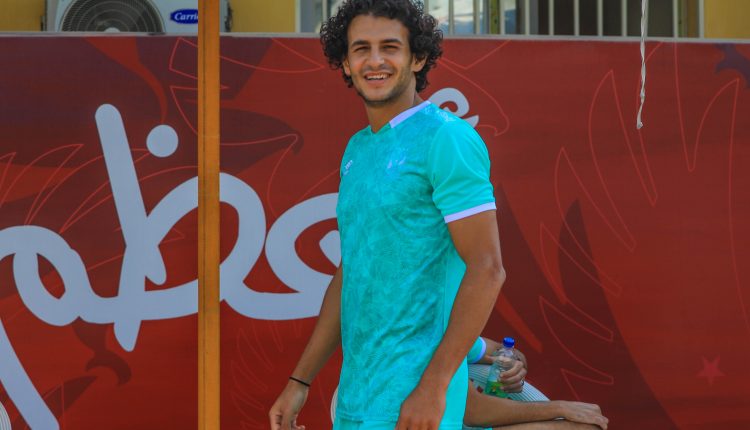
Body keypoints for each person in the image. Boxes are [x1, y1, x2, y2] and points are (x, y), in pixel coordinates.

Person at [269, 1, 506, 429]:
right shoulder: (358, 148)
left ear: (418, 58)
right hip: (358, 399)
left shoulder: (447, 138)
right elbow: (353, 271)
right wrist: (300, 380)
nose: (375, 61)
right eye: (361, 48)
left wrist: (434, 387)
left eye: (390, 47)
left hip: (419, 404)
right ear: (345, 63)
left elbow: (487, 268)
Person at [463, 338, 609, 429]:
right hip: (467, 420)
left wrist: (514, 366)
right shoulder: (449, 336)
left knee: (589, 426)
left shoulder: (459, 334)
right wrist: (560, 407)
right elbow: (473, 411)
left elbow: (503, 350)